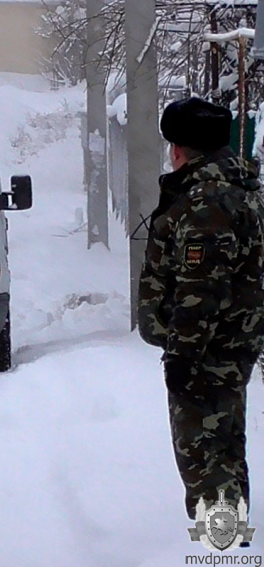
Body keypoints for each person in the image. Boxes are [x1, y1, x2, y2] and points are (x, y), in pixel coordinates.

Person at [138, 97, 264, 523]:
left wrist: (184, 356)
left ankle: (220, 545)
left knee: (205, 456)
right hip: (227, 346)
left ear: (179, 149)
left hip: (208, 352)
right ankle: (230, 535)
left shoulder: (207, 202)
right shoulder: (236, 189)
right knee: (225, 446)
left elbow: (201, 288)